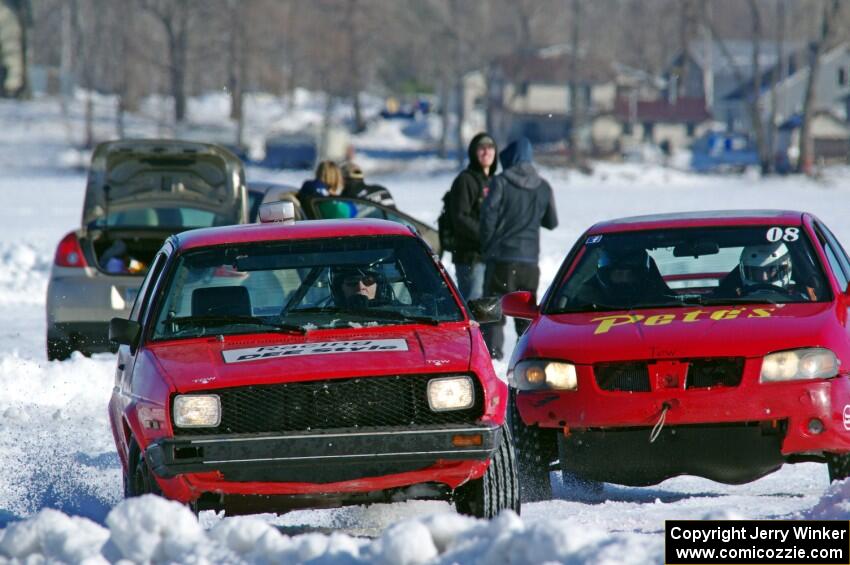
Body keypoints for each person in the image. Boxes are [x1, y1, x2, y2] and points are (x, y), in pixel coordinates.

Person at [479, 137, 558, 360]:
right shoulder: (543, 186)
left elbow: (488, 217)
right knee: (526, 314)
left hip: (502, 259)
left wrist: (487, 246)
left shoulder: (500, 182)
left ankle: (492, 358)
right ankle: (528, 358)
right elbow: (551, 222)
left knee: (493, 311)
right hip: (529, 263)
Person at [445, 133, 498, 301]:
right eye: (481, 148)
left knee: (491, 310)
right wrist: (486, 236)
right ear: (473, 152)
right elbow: (460, 217)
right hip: (471, 257)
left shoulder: (495, 182)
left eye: (490, 148)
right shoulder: (465, 180)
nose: (486, 152)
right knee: (474, 305)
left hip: (491, 256)